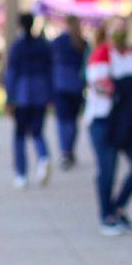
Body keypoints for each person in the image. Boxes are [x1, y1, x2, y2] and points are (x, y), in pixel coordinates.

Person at [84, 17, 132, 236]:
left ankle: (119, 206)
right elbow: (98, 84)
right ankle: (106, 214)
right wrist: (120, 90)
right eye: (116, 30)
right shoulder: (102, 54)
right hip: (105, 120)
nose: (121, 34)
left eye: (124, 30)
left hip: (129, 122)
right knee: (107, 169)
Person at [4, 12, 53, 189]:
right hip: (40, 92)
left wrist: (9, 98)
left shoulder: (17, 47)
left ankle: (21, 173)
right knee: (37, 132)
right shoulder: (42, 45)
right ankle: (43, 157)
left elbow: (11, 73)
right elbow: (50, 69)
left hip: (23, 94)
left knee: (19, 135)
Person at [50, 14, 87, 171]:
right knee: (72, 120)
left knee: (62, 121)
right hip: (77, 86)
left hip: (61, 86)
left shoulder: (58, 42)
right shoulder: (82, 43)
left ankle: (65, 151)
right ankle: (69, 150)